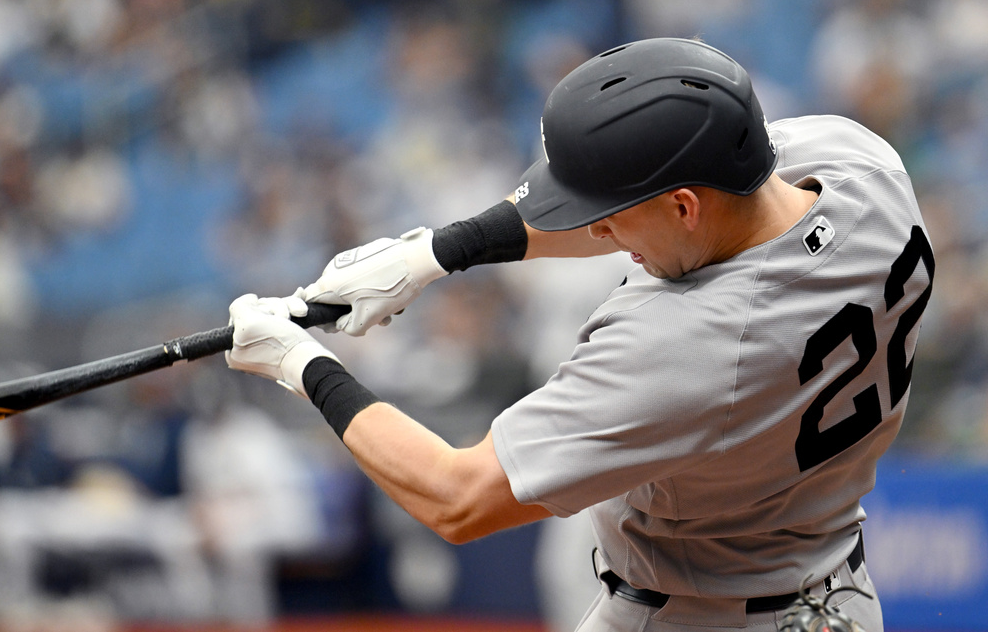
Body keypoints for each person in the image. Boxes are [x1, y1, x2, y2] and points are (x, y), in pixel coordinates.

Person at [224, 38, 935, 631]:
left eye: (611, 216)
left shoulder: (687, 345)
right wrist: (433, 254)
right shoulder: (861, 165)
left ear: (685, 206)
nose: (597, 232)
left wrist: (301, 364)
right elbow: (684, 192)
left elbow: (456, 494)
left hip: (702, 613)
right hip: (835, 587)